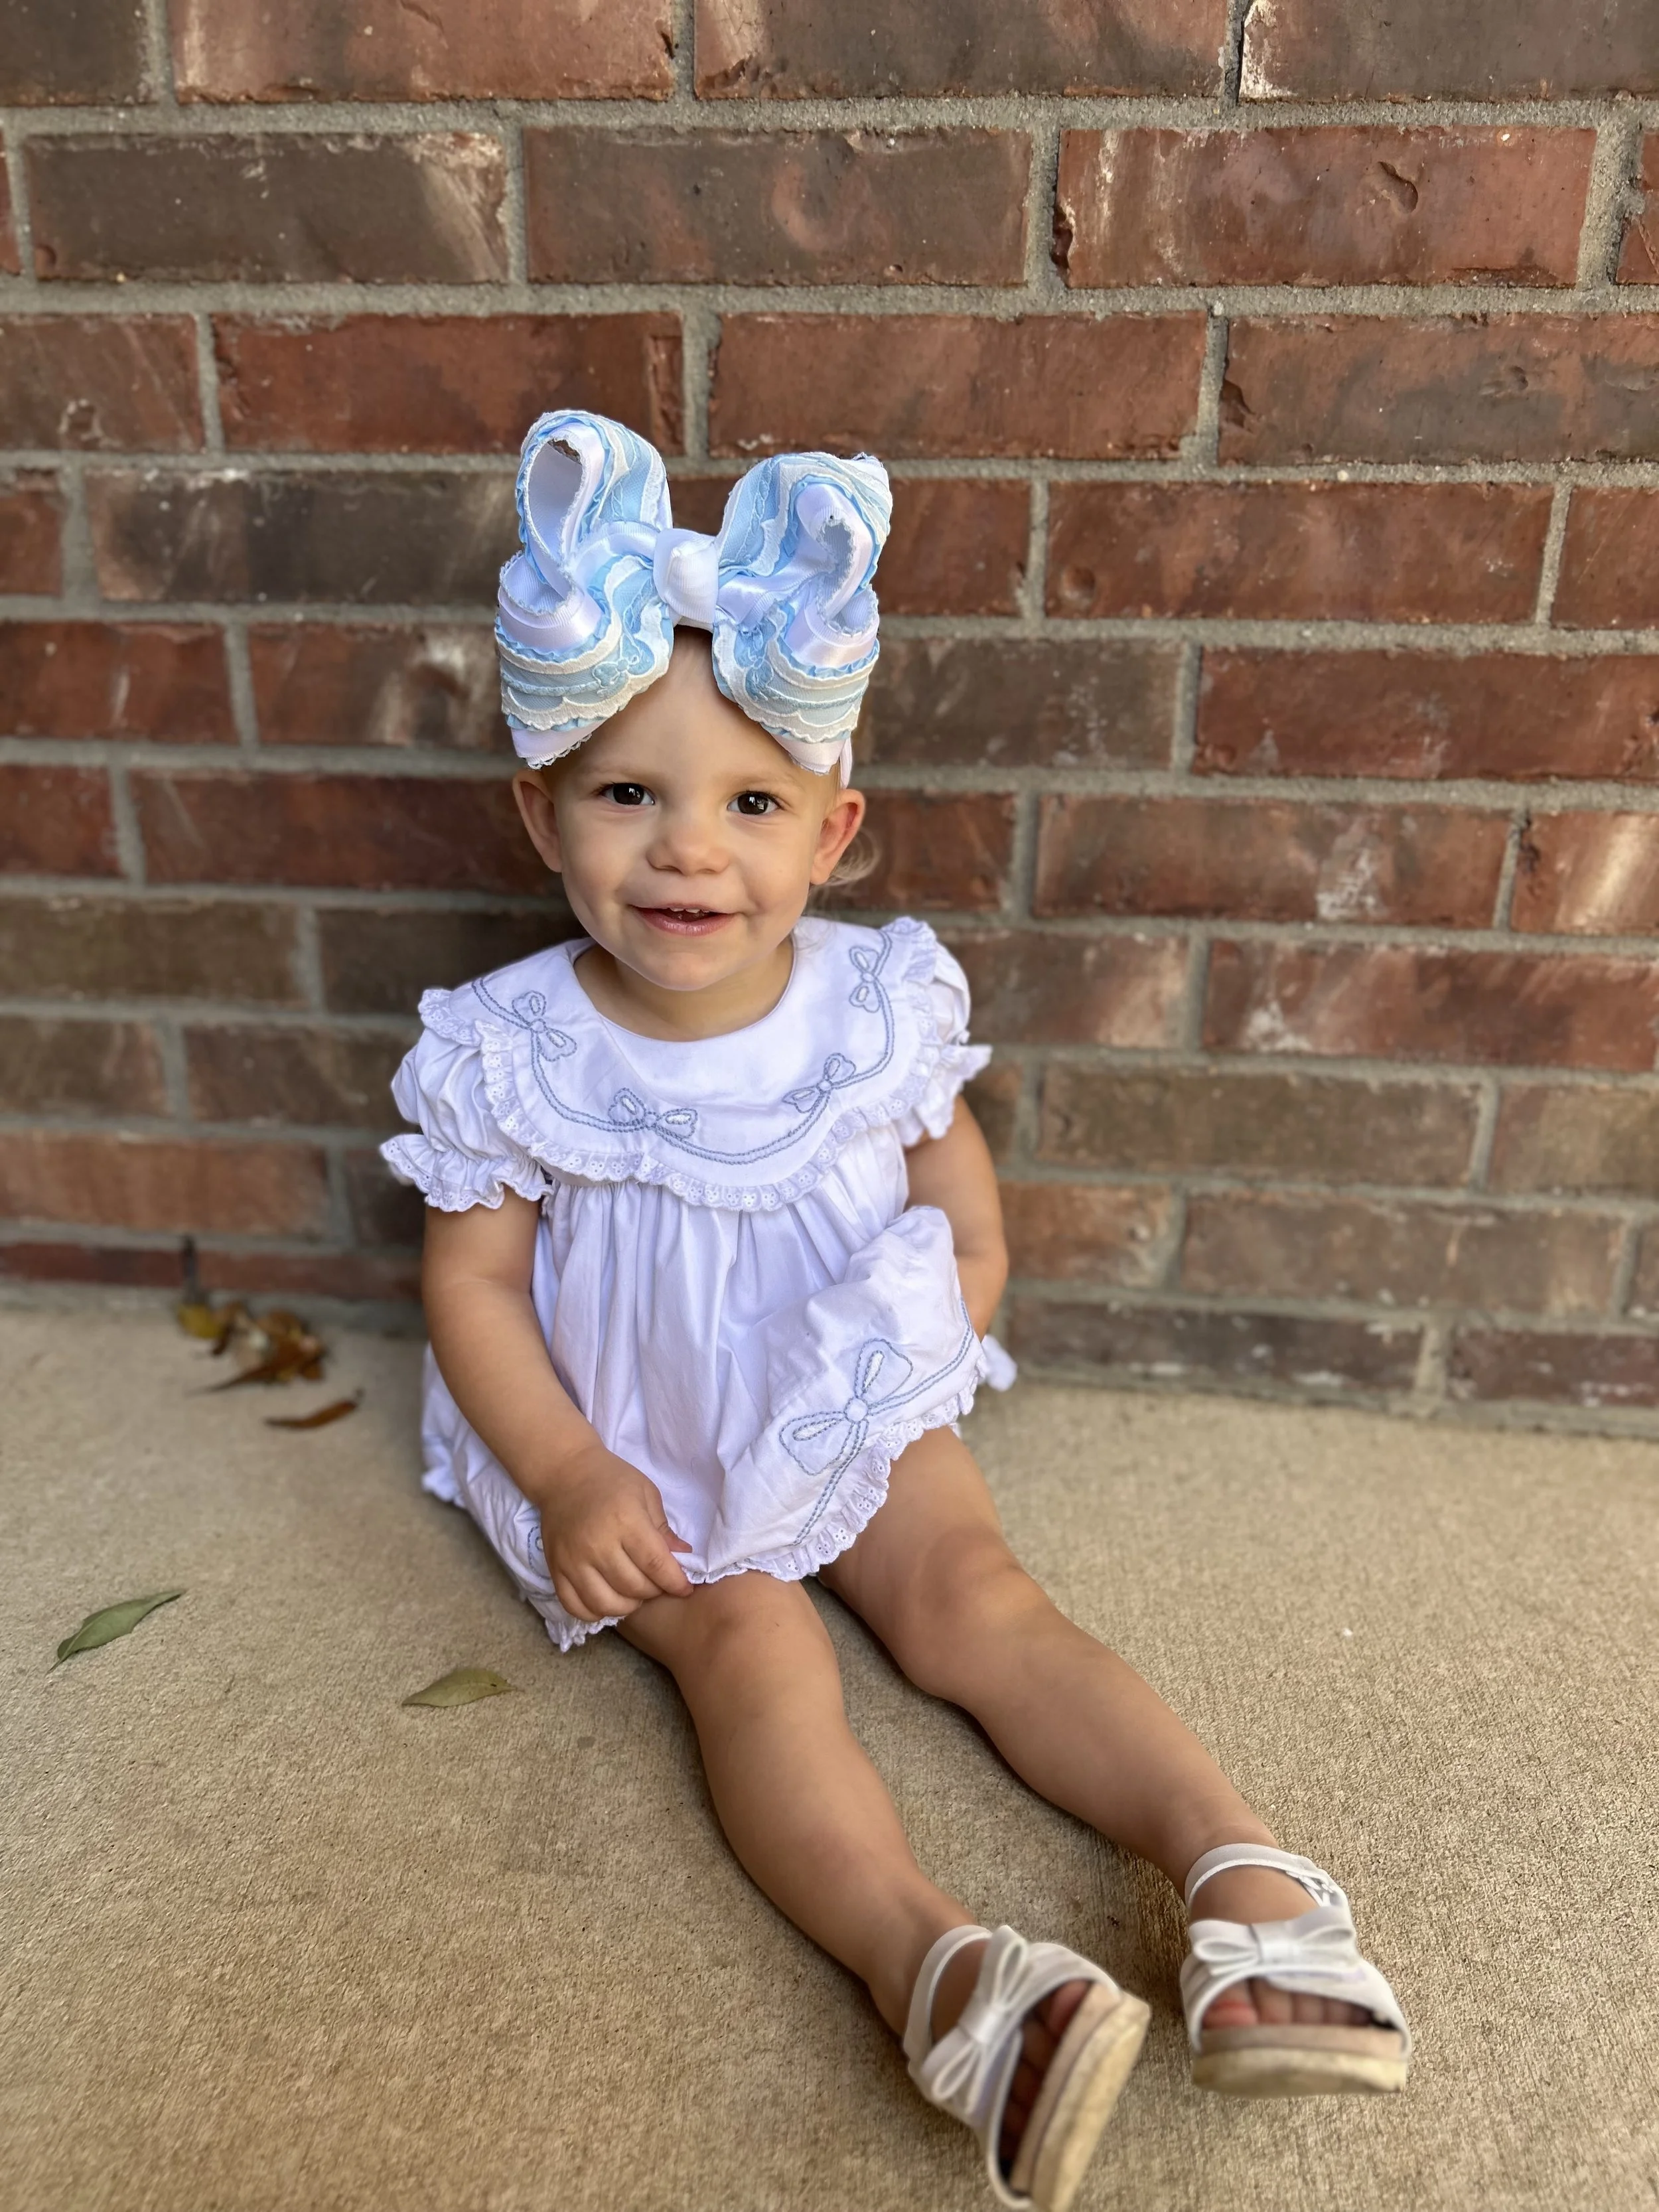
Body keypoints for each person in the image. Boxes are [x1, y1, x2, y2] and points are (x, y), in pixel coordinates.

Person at [383, 410, 1410, 2212]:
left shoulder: (874, 1004)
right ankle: (936, 1971)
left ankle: (1242, 1875)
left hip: (843, 1378)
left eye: (749, 802)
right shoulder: (513, 1045)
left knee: (974, 1599)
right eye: (627, 795)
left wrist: (936, 1326)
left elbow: (958, 1195)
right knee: (752, 1648)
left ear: (831, 829)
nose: (688, 852)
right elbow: (469, 1284)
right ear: (540, 808)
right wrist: (563, 1472)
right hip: (627, 1428)